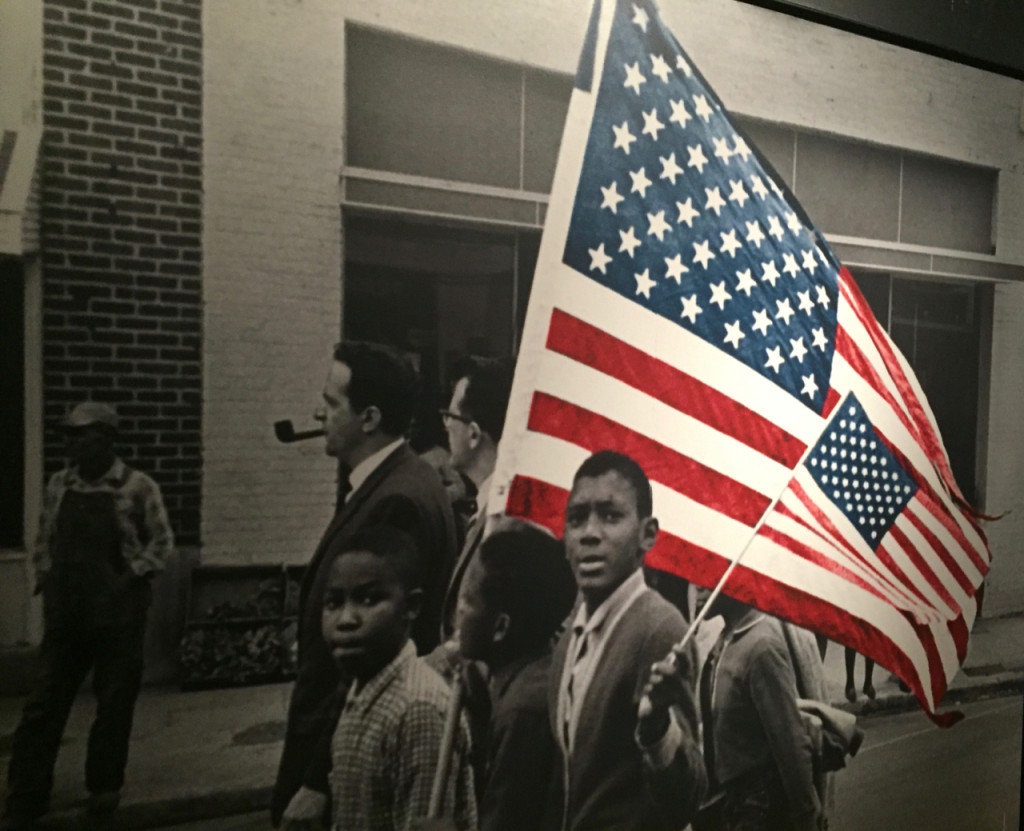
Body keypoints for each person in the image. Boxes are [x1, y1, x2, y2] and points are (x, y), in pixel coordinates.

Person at [273, 341, 459, 827]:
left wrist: (317, 779)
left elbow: (374, 648)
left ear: (370, 418)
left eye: (333, 404)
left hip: (352, 750)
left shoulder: (396, 500)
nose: (321, 413)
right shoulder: (401, 480)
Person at [1, 402, 173, 830]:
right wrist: (47, 577)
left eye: (83, 435)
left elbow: (162, 544)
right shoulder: (59, 484)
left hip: (119, 615)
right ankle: (27, 794)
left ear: (108, 439)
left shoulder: (137, 486)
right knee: (44, 706)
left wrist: (127, 579)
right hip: (68, 615)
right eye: (70, 435)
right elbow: (45, 538)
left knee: (113, 704)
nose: (73, 443)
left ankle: (103, 788)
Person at [550, 450, 706, 831]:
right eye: (577, 518)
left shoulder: (659, 629)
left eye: (610, 516)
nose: (589, 533)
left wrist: (657, 732)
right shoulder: (570, 636)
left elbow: (687, 796)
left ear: (647, 534)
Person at [322, 525, 476, 831]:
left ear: (411, 606)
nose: (346, 619)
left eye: (369, 600)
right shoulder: (361, 687)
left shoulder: (419, 709)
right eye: (334, 603)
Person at [455, 517, 576, 831]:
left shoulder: (524, 711)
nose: (459, 611)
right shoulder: (536, 674)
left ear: (501, 627)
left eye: (468, 600)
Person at [694, 587, 822, 831]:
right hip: (731, 807)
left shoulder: (762, 648)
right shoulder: (722, 643)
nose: (696, 585)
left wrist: (807, 811)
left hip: (761, 810)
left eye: (704, 575)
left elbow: (789, 742)